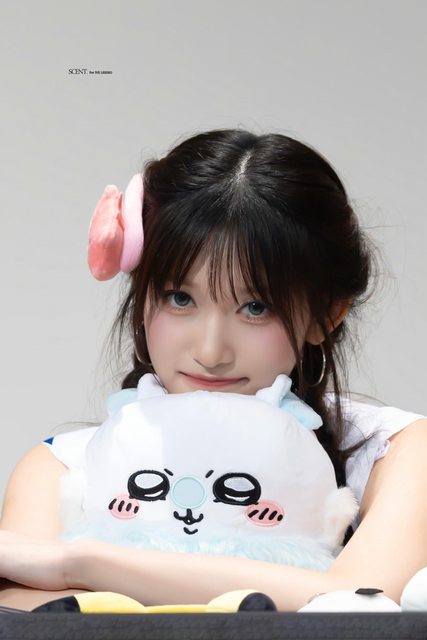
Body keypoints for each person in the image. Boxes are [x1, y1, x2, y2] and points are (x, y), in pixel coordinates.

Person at [1, 128, 426, 612]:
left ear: (326, 314)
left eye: (255, 307)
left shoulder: (394, 452)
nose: (210, 351)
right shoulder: (61, 466)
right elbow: (44, 623)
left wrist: (82, 562)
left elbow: (363, 598)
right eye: (180, 298)